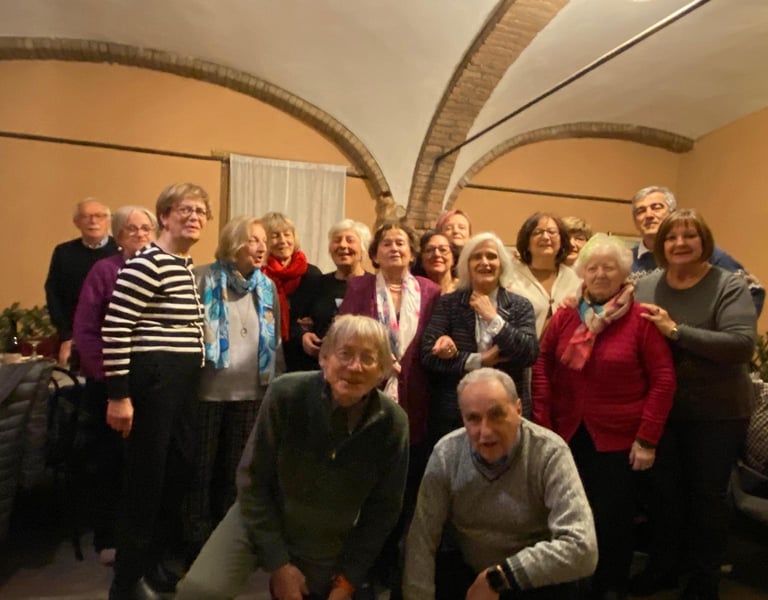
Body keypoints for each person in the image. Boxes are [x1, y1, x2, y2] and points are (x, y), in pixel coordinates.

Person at [176, 315, 409, 600]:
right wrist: (279, 565)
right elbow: (252, 481)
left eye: (368, 358)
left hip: (326, 532)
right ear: (324, 358)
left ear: (382, 370)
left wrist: (348, 580)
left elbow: (383, 511)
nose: (354, 367)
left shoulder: (393, 423)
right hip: (262, 514)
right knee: (198, 592)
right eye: (345, 354)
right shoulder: (286, 394)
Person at [532, 234, 675, 600]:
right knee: (568, 515)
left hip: (620, 440)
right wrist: (544, 425)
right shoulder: (566, 315)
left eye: (609, 268)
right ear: (582, 273)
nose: (599, 274)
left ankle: (609, 587)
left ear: (624, 273)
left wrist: (647, 438)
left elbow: (663, 380)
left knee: (613, 520)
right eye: (592, 267)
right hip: (566, 434)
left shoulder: (642, 319)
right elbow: (543, 366)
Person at [634, 209, 757, 600]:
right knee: (664, 496)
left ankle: (705, 580)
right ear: (661, 244)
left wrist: (675, 331)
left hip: (717, 413)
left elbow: (742, 345)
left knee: (707, 499)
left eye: (689, 236)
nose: (680, 244)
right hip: (663, 411)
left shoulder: (729, 284)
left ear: (705, 242)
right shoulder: (646, 285)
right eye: (671, 237)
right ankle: (663, 570)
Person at [102, 183, 211, 600]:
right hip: (154, 382)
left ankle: (151, 564)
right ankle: (127, 581)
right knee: (145, 481)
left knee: (175, 473)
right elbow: (116, 328)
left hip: (181, 383)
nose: (194, 217)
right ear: (164, 216)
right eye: (185, 209)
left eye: (200, 211)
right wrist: (119, 395)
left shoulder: (181, 265)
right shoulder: (147, 263)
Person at [403, 368, 597, 600]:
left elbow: (583, 548)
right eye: (473, 418)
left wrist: (500, 577)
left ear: (518, 409)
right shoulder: (446, 453)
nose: (485, 432)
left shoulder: (550, 452)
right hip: (468, 571)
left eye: (496, 415)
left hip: (534, 580)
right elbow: (422, 540)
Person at [184, 216, 284, 564]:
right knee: (200, 470)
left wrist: (276, 384)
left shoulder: (267, 286)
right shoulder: (201, 277)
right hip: (207, 391)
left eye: (263, 241)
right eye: (253, 240)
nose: (261, 247)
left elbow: (276, 339)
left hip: (252, 391)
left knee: (237, 471)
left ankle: (229, 541)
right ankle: (195, 541)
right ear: (233, 243)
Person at [72, 205, 157, 565]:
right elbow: (86, 330)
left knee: (146, 463)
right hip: (110, 384)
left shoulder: (162, 270)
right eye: (131, 229)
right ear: (119, 237)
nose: (140, 235)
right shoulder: (105, 271)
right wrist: (110, 380)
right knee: (111, 463)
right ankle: (108, 536)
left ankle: (146, 537)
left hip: (151, 384)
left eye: (146, 228)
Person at [421, 232, 538, 441]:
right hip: (455, 416)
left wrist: (494, 319)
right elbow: (428, 355)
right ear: (467, 265)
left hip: (506, 414)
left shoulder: (520, 306)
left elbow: (529, 353)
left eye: (491, 256)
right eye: (477, 257)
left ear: (502, 264)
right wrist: (478, 360)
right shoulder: (449, 304)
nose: (485, 262)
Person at [339, 221, 441, 447]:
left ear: (412, 253)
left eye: (400, 243)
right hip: (367, 384)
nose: (394, 248)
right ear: (375, 255)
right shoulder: (359, 287)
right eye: (387, 244)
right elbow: (344, 333)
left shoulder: (431, 291)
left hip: (416, 388)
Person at [629, 185, 764, 315]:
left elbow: (753, 290)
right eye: (641, 211)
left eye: (656, 207)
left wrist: (731, 323)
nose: (649, 215)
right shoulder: (625, 260)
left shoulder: (703, 253)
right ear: (635, 221)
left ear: (673, 213)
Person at [46, 198, 119, 367]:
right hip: (76, 337)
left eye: (99, 216)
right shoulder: (64, 252)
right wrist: (66, 336)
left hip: (115, 336)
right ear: (76, 222)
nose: (93, 221)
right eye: (86, 216)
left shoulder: (121, 250)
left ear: (109, 221)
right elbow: (53, 294)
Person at [298, 219, 371, 370]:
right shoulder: (316, 283)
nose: (343, 245)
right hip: (319, 367)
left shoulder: (374, 286)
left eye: (350, 240)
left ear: (363, 249)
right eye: (337, 240)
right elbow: (298, 321)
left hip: (360, 368)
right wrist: (303, 336)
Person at [261, 212, 323, 372]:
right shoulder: (260, 275)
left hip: (303, 357)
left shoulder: (312, 274)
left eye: (287, 234)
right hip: (266, 354)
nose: (283, 241)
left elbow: (318, 316)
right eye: (275, 236)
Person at [509, 212, 581, 338]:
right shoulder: (510, 277)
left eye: (552, 232)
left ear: (561, 240)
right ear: (526, 242)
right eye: (537, 232)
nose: (546, 237)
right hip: (520, 349)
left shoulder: (575, 279)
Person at [412, 230, 459, 295]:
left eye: (443, 250)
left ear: (453, 259)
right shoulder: (412, 289)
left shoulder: (465, 288)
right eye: (429, 250)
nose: (437, 254)